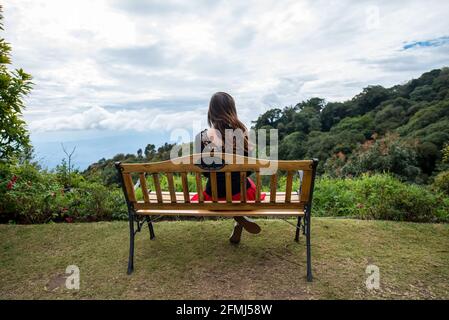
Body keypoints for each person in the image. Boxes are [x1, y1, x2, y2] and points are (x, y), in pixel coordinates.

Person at [191, 92, 266, 244]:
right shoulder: (243, 134)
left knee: (217, 188)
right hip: (241, 193)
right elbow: (249, 169)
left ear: (211, 112)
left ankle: (239, 219)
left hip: (214, 194)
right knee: (249, 185)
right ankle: (239, 218)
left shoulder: (201, 137)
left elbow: (204, 172)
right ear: (232, 109)